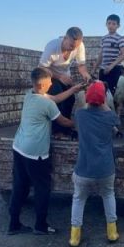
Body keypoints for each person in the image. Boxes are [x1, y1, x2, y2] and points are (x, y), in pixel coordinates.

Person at [8, 67, 82, 236]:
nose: (52, 83)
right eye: (50, 81)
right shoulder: (46, 104)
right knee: (42, 188)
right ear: (42, 85)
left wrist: (73, 89)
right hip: (36, 153)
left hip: (19, 147)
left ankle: (13, 224)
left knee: (20, 185)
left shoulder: (30, 95)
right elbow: (63, 122)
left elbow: (55, 98)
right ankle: (41, 225)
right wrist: (81, 120)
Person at [69, 81, 120, 247]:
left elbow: (82, 105)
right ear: (104, 99)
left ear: (88, 99)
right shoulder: (110, 117)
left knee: (78, 199)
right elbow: (114, 119)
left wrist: (90, 97)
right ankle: (112, 232)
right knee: (108, 195)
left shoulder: (80, 115)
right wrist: (104, 103)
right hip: (105, 169)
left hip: (83, 169)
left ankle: (75, 236)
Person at [39, 27, 91, 137]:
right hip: (50, 75)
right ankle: (56, 130)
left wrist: (86, 75)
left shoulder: (79, 46)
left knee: (70, 99)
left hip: (65, 75)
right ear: (65, 38)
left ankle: (65, 128)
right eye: (71, 46)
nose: (73, 49)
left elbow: (81, 65)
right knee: (57, 98)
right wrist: (59, 76)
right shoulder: (52, 47)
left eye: (76, 46)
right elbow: (42, 68)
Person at [93, 14, 124, 95]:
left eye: (113, 24)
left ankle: (113, 108)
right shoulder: (104, 38)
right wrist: (94, 69)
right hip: (103, 70)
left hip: (114, 69)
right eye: (109, 23)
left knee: (113, 93)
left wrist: (111, 66)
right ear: (106, 24)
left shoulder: (120, 38)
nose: (111, 26)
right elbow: (101, 55)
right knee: (101, 92)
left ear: (118, 26)